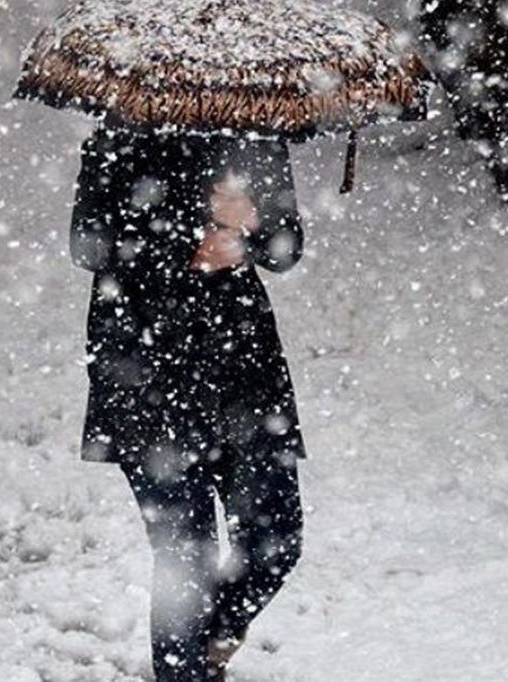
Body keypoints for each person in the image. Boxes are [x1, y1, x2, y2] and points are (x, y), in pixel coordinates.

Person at [70, 121, 306, 681]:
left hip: (242, 372)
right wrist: (191, 235)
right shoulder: (117, 137)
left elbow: (288, 247)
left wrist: (251, 229)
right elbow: (90, 245)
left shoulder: (254, 133)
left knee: (276, 536)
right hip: (145, 371)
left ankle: (213, 642)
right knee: (187, 557)